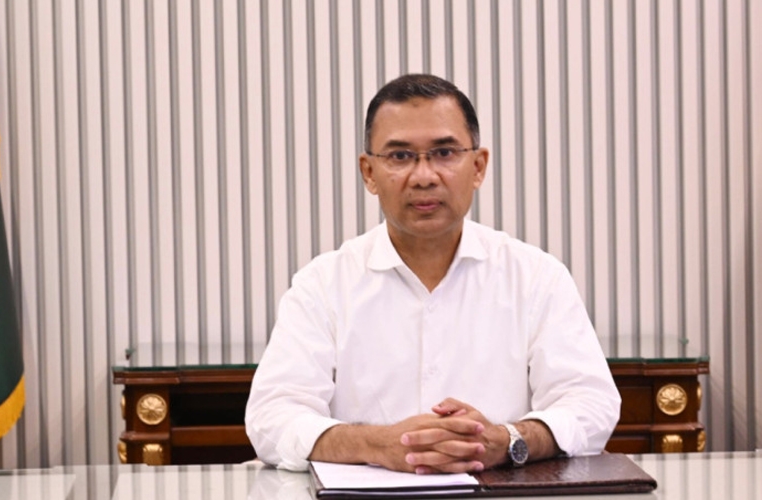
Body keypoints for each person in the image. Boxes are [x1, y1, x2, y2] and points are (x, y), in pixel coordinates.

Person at [244, 74, 621, 474]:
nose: (424, 176)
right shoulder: (322, 285)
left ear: (478, 167)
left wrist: (508, 440)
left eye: (444, 152)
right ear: (368, 172)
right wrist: (378, 444)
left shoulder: (536, 277)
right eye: (400, 156)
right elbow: (272, 419)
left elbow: (591, 404)